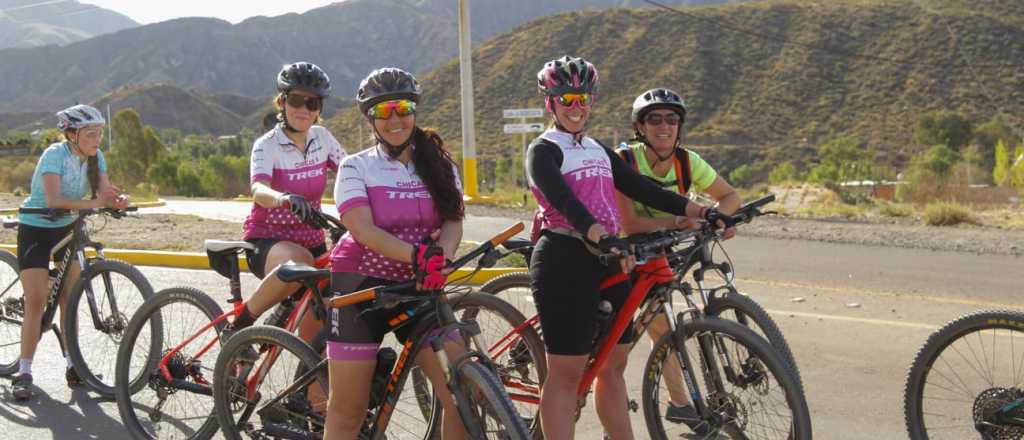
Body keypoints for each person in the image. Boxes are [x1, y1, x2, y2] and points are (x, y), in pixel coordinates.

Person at [526, 56, 731, 439]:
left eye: (583, 98)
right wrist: (600, 234)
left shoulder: (596, 148)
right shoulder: (544, 149)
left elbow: (642, 189)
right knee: (567, 374)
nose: (576, 107)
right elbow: (565, 203)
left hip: (609, 259)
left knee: (611, 367)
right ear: (550, 101)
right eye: (567, 98)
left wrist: (701, 211)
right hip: (564, 259)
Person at [323, 67, 466, 439]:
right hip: (360, 286)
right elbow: (362, 229)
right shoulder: (356, 167)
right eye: (383, 111)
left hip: (419, 286)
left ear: (414, 111)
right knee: (348, 410)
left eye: (402, 108)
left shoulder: (440, 164)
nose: (394, 119)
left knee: (465, 392)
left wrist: (443, 257)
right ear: (371, 118)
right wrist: (420, 256)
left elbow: (452, 221)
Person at [614, 87, 739, 434]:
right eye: (654, 119)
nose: (664, 126)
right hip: (619, 251)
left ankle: (680, 405)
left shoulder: (687, 162)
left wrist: (720, 219)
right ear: (640, 127)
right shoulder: (624, 161)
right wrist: (678, 221)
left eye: (672, 119)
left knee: (662, 324)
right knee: (613, 338)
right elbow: (628, 224)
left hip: (658, 252)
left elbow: (729, 196)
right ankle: (611, 398)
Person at [11, 104, 130, 401]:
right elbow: (54, 198)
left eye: (100, 133)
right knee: (36, 303)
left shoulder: (96, 158)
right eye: (91, 134)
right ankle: (24, 371)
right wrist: (93, 204)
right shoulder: (55, 155)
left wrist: (117, 200)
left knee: (70, 299)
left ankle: (73, 366)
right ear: (72, 134)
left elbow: (104, 192)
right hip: (36, 226)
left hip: (67, 228)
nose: (97, 139)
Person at [224, 62, 345, 344]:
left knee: (321, 322)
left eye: (312, 102)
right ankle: (239, 329)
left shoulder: (323, 138)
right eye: (295, 100)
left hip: (313, 239)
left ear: (319, 109)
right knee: (301, 264)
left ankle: (305, 381)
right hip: (268, 239)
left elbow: (352, 173)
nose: (304, 108)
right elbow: (258, 189)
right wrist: (283, 199)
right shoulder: (267, 145)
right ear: (282, 101)